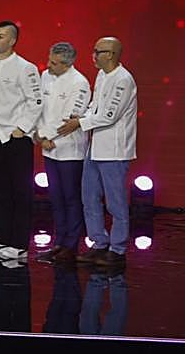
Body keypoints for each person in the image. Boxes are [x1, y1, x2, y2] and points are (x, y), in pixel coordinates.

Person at [59, 36, 137, 270]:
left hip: (115, 150)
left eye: (98, 51)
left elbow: (110, 115)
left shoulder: (123, 80)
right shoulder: (102, 76)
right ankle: (99, 243)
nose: (93, 55)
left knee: (115, 202)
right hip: (95, 148)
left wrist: (79, 124)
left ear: (111, 54)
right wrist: (80, 118)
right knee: (89, 198)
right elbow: (95, 107)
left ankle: (118, 249)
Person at [0, 20, 43, 262]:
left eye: (1, 36)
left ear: (13, 40)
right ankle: (0, 238)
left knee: (20, 191)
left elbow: (35, 101)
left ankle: (18, 243)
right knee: (0, 190)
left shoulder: (25, 67)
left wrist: (22, 128)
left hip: (17, 138)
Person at [33, 42, 91, 263]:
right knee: (55, 198)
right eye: (49, 60)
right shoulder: (45, 76)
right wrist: (39, 134)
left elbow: (70, 118)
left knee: (70, 198)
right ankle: (59, 243)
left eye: (54, 63)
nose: (48, 65)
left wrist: (47, 135)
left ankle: (71, 245)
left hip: (69, 150)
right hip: (49, 149)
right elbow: (39, 107)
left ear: (68, 63)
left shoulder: (80, 83)